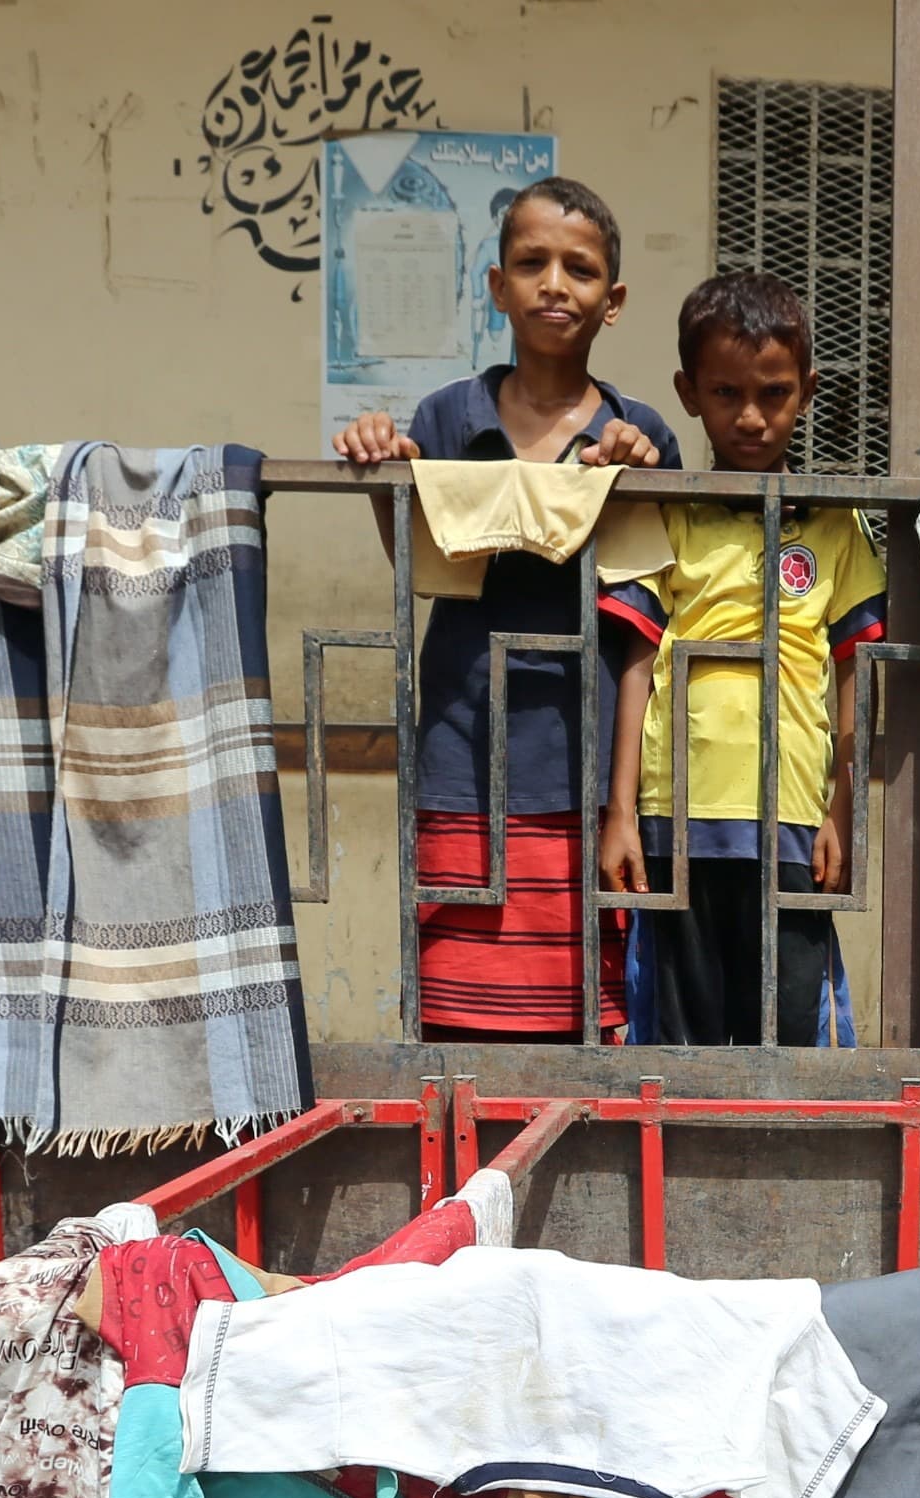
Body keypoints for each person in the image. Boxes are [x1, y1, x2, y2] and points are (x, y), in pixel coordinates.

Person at [331, 176, 672, 1041]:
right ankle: (460, 1169)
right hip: (460, 745)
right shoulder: (449, 415)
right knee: (455, 1004)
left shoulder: (640, 432)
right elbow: (417, 565)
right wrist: (386, 470)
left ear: (614, 300)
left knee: (583, 1012)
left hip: (586, 762)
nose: (555, 284)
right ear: (496, 287)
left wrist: (644, 469)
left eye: (580, 269)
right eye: (531, 264)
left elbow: (650, 613)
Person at [595, 270, 884, 1044]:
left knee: (791, 1035)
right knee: (680, 1037)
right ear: (689, 392)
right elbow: (636, 660)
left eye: (774, 394)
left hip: (791, 814)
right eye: (726, 394)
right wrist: (621, 812)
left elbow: (854, 669)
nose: (751, 417)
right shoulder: (671, 508)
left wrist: (842, 811)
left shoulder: (832, 522)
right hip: (675, 813)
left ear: (808, 390)